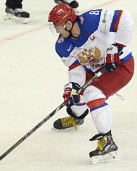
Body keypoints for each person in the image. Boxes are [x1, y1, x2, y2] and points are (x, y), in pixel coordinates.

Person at [48, 4, 134, 164]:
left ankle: (108, 143)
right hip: (94, 69)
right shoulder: (61, 45)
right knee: (73, 96)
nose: (57, 31)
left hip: (120, 65)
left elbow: (125, 19)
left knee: (92, 93)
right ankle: (77, 117)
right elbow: (76, 69)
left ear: (67, 23)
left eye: (58, 26)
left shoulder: (92, 19)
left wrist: (117, 47)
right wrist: (72, 86)